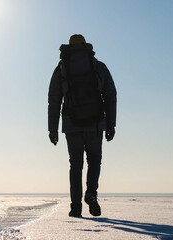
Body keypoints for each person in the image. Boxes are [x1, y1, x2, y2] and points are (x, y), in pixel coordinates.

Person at [48, 34, 117, 217]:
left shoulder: (62, 68)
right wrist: (111, 125)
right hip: (95, 124)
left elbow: (54, 100)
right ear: (85, 46)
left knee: (75, 165)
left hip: (71, 124)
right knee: (94, 161)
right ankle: (91, 193)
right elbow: (111, 95)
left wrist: (52, 129)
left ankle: (76, 207)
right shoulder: (97, 66)